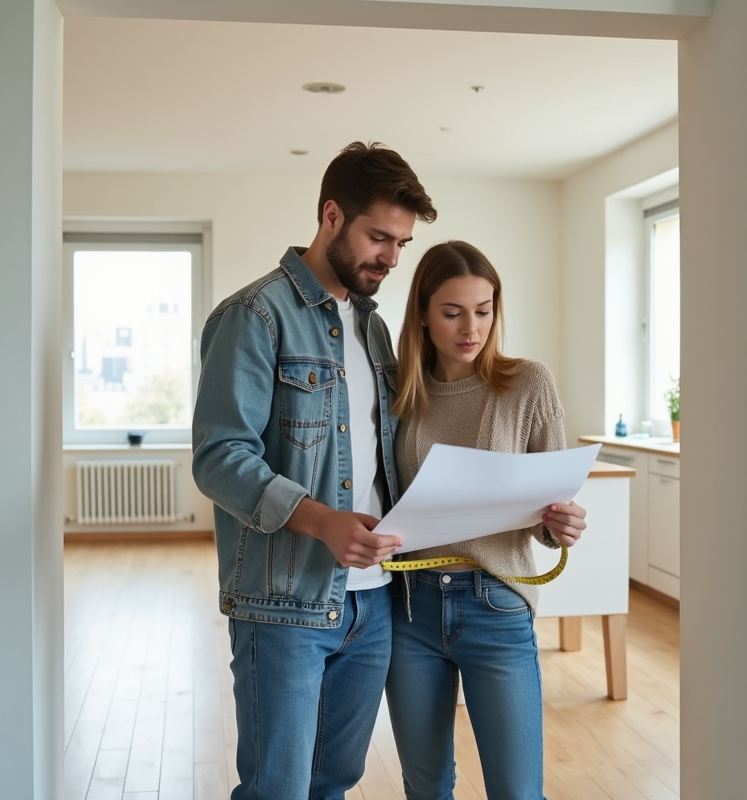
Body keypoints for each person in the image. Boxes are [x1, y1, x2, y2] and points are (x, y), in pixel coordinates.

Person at [191, 142, 437, 800]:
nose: (390, 257)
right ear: (331, 215)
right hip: (284, 604)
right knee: (278, 789)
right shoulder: (253, 316)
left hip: (376, 603)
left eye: (402, 243)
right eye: (379, 237)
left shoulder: (374, 331)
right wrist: (321, 520)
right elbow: (218, 458)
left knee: (334, 783)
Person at [385, 240, 587, 800]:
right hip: (409, 609)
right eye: (452, 312)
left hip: (496, 606)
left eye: (484, 309)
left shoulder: (529, 384)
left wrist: (560, 525)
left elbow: (549, 514)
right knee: (425, 787)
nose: (471, 327)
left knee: (518, 792)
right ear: (422, 314)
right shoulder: (397, 389)